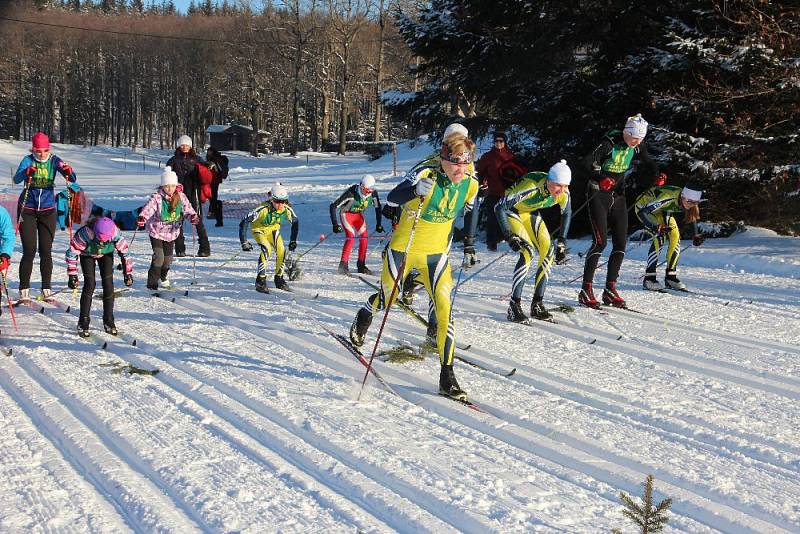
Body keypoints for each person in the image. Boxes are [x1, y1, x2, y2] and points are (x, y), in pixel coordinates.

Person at [349, 124, 480, 401]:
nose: (461, 170)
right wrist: (414, 190)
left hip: (437, 254)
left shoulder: (471, 180)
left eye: (466, 163)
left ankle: (447, 376)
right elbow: (394, 197)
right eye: (456, 163)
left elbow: (471, 208)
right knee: (388, 297)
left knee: (445, 311)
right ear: (444, 154)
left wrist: (468, 241)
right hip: (404, 249)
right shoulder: (426, 171)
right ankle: (364, 315)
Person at [578, 114, 659, 309]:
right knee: (600, 242)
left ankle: (610, 289)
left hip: (618, 195)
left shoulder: (638, 144)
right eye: (634, 138)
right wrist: (599, 178)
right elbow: (584, 163)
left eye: (640, 139)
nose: (637, 143)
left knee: (621, 243)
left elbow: (649, 161)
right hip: (598, 193)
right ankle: (585, 289)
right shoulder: (609, 143)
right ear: (625, 132)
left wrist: (658, 174)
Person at [495, 160, 572, 322]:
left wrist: (562, 241)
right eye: (558, 185)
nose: (562, 190)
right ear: (549, 181)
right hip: (511, 211)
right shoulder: (531, 186)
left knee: (549, 251)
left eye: (565, 186)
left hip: (529, 212)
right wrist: (509, 236)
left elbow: (566, 213)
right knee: (527, 252)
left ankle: (537, 304)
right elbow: (499, 207)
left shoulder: (563, 193)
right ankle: (514, 306)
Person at [13, 132, 77, 302]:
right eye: (38, 150)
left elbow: (72, 177)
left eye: (45, 150)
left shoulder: (54, 160)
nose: (41, 154)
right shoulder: (28, 160)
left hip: (48, 210)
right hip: (27, 208)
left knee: (45, 251)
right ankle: (23, 288)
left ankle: (46, 287)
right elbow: (17, 178)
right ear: (33, 149)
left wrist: (67, 171)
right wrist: (26, 172)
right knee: (29, 250)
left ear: (49, 148)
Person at [66, 217, 133, 337]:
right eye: (100, 240)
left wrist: (127, 273)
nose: (102, 243)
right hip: (87, 255)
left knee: (108, 285)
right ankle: (83, 321)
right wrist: (72, 275)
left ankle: (109, 320)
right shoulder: (85, 233)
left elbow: (125, 253)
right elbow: (72, 253)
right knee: (90, 284)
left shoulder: (115, 233)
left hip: (106, 255)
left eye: (105, 240)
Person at [136, 167, 199, 291]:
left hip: (171, 232)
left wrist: (192, 216)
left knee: (168, 260)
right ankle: (152, 284)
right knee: (159, 258)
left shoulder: (181, 196)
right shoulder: (157, 197)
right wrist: (143, 217)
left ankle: (163, 277)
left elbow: (187, 210)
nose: (169, 189)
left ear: (176, 185)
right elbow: (149, 209)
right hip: (156, 231)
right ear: (162, 186)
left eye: (172, 186)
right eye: (166, 186)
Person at [635, 184, 704, 291]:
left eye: (695, 203)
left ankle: (671, 277)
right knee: (660, 237)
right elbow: (643, 212)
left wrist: (696, 235)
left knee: (675, 237)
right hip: (644, 207)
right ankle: (649, 278)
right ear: (683, 197)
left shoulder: (689, 202)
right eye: (690, 202)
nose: (691, 205)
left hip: (662, 210)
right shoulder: (668, 197)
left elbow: (692, 217)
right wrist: (655, 227)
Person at [239, 184, 299, 293]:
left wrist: (293, 240)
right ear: (271, 200)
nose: (280, 204)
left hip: (273, 230)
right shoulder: (263, 209)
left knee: (281, 250)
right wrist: (244, 241)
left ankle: (279, 279)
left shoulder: (286, 209)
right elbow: (244, 221)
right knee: (267, 249)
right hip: (259, 230)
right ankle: (260, 281)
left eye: (283, 201)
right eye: (277, 201)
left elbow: (295, 221)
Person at [475, 131, 525, 250]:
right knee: (492, 218)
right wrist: (482, 183)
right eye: (496, 141)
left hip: (508, 193)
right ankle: (491, 244)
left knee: (511, 217)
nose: (498, 143)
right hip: (492, 192)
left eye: (501, 141)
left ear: (505, 142)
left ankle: (513, 241)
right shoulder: (487, 157)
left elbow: (518, 172)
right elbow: (479, 172)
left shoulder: (510, 156)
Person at [329, 174, 384, 275]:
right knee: (351, 237)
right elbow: (333, 206)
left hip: (358, 215)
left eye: (371, 190)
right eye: (367, 190)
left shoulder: (373, 194)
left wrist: (379, 224)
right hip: (346, 214)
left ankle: (361, 265)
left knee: (364, 238)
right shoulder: (351, 194)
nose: (368, 193)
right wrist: (335, 225)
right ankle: (343, 265)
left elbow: (378, 208)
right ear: (362, 187)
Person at [166, 135, 210, 257]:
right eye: (182, 145)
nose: (184, 147)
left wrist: (208, 166)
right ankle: (180, 249)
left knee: (197, 220)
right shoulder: (173, 160)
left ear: (190, 146)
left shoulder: (197, 159)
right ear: (179, 146)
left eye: (187, 145)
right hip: (177, 193)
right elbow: (166, 175)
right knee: (177, 220)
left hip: (193, 192)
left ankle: (204, 248)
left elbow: (206, 171)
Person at [206, 146, 229, 227]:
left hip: (214, 181)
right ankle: (214, 213)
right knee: (212, 198)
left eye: (209, 151)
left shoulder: (215, 159)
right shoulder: (212, 158)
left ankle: (217, 217)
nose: (208, 153)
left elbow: (215, 171)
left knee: (213, 199)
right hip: (212, 181)